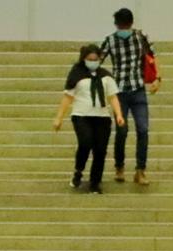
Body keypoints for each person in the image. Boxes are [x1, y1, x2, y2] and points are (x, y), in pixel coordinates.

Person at [54, 43, 126, 194]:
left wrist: (119, 114)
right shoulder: (77, 75)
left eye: (95, 59)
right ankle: (78, 170)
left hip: (102, 117)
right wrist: (59, 118)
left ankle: (95, 182)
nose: (93, 62)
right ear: (84, 59)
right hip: (81, 115)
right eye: (90, 59)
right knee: (85, 142)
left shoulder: (106, 76)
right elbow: (67, 97)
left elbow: (113, 97)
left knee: (100, 150)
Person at [100, 7, 161, 185]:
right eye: (121, 26)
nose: (123, 29)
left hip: (138, 90)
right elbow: (98, 59)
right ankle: (119, 167)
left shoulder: (141, 37)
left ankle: (140, 171)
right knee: (122, 130)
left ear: (131, 24)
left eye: (125, 25)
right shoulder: (110, 40)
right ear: (116, 25)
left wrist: (157, 78)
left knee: (143, 129)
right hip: (119, 92)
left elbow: (152, 57)